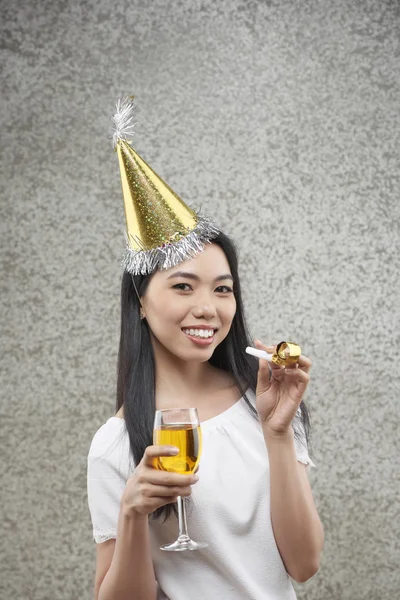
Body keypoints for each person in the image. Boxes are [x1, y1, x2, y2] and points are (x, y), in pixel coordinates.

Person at [87, 98, 324, 600]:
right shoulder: (115, 446)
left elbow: (303, 564)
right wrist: (132, 515)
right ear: (141, 302)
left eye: (222, 288)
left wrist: (278, 433)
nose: (208, 308)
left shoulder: (268, 406)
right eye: (182, 287)